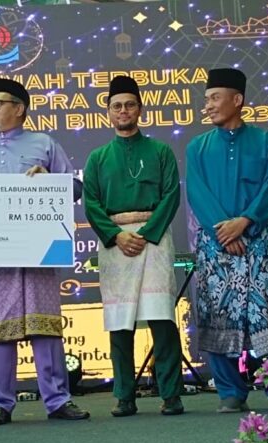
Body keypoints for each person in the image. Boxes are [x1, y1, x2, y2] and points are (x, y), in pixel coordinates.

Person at [0, 78, 89, 426]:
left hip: (39, 250)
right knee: (0, 328)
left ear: (19, 108)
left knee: (45, 325)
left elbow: (74, 187)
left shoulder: (44, 143)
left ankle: (58, 400)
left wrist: (50, 180)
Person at [185, 68, 268, 413]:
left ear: (237, 100)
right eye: (207, 99)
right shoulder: (197, 147)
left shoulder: (265, 141)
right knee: (218, 312)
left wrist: (245, 223)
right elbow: (197, 193)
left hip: (257, 239)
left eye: (215, 98)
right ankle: (230, 392)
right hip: (216, 243)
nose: (208, 105)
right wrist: (224, 231)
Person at [83, 76, 185, 417]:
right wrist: (116, 235)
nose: (123, 111)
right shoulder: (97, 158)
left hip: (153, 239)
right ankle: (124, 396)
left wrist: (147, 233)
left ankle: (171, 394)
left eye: (129, 105)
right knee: (120, 321)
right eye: (117, 106)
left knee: (162, 318)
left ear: (140, 109)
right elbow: (91, 203)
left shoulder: (160, 151)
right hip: (116, 243)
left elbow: (171, 195)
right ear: (108, 112)